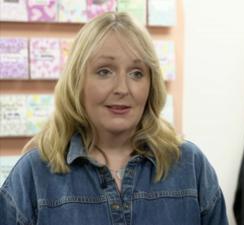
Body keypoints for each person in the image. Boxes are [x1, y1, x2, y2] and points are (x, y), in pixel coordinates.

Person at [0, 12, 228, 225]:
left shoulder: (190, 166)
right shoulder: (33, 175)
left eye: (136, 73)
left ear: (151, 84)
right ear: (77, 80)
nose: (122, 88)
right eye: (104, 71)